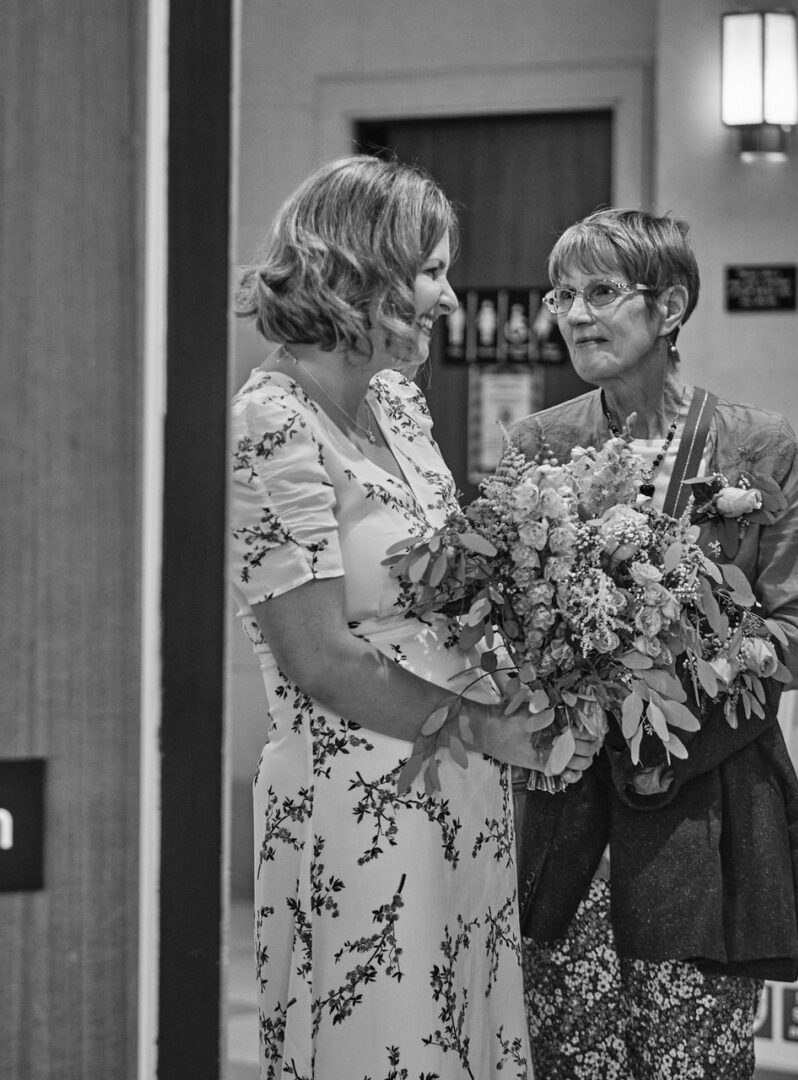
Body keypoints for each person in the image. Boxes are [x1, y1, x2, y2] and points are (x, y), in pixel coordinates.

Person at [229, 155, 599, 1080]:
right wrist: (482, 725)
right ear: (362, 271)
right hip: (354, 801)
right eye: (429, 270)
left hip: (461, 788)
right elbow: (319, 656)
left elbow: (447, 586)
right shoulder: (268, 424)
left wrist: (536, 681)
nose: (446, 293)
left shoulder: (396, 402)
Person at [507, 208, 798, 1079]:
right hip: (566, 808)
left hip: (708, 805)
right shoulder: (538, 447)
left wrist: (692, 672)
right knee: (571, 1054)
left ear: (672, 307)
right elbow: (505, 625)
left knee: (691, 1056)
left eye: (602, 292)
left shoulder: (754, 444)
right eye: (563, 294)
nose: (576, 314)